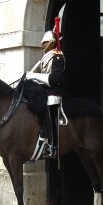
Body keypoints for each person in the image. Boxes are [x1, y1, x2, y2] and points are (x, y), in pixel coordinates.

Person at [26, 30, 66, 158]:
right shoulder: (45, 58)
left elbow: (53, 79)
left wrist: (34, 75)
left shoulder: (58, 57)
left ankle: (52, 146)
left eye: (44, 42)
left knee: (48, 104)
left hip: (54, 91)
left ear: (52, 43)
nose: (41, 45)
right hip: (44, 90)